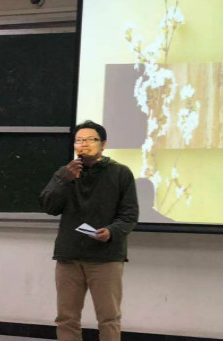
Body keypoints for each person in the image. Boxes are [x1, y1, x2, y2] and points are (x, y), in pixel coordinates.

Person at [40, 120, 139, 341]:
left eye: (90, 139)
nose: (83, 144)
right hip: (69, 255)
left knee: (109, 318)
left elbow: (130, 214)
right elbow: (49, 207)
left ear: (103, 144)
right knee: (66, 317)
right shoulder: (65, 173)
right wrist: (64, 180)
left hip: (105, 256)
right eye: (79, 140)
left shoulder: (120, 173)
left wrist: (111, 231)